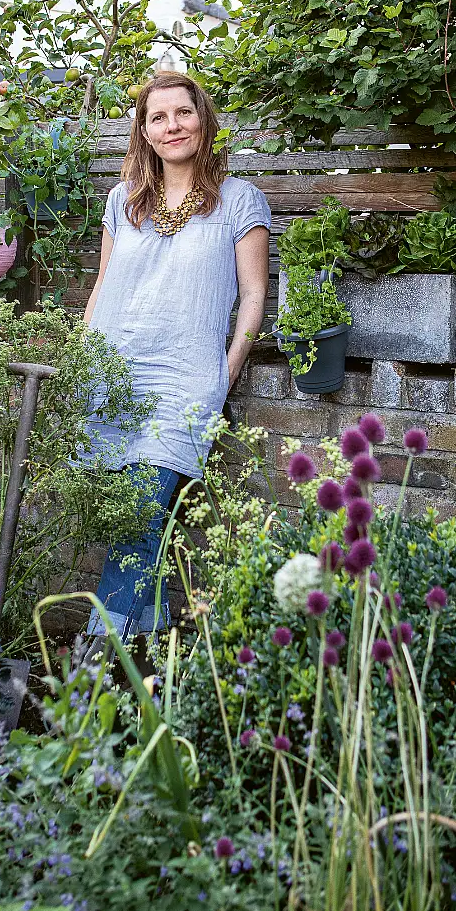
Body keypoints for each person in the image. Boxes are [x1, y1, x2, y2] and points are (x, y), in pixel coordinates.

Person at [79, 70, 270, 658]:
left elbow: (254, 294)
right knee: (138, 527)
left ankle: (93, 669)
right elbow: (105, 283)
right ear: (144, 131)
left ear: (202, 119)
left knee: (141, 514)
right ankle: (153, 670)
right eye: (157, 118)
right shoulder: (122, 201)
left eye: (182, 113)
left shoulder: (239, 200)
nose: (172, 127)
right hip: (113, 373)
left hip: (183, 380)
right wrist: (79, 357)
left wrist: (230, 365)